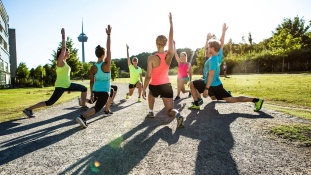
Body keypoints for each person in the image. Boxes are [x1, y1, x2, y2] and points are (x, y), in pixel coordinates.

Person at [188, 23, 264, 111]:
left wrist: (206, 89)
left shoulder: (212, 60)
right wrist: (223, 32)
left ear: (212, 48)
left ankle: (197, 104)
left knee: (192, 84)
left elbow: (211, 76)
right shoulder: (218, 56)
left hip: (209, 84)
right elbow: (221, 44)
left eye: (208, 48)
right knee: (231, 99)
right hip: (217, 84)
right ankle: (256, 100)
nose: (207, 49)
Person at [23, 28, 88, 118]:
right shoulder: (60, 61)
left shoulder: (65, 63)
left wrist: (69, 88)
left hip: (67, 85)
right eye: (67, 52)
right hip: (61, 86)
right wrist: (63, 35)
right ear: (63, 53)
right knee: (50, 102)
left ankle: (83, 107)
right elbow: (64, 47)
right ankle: (28, 109)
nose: (68, 54)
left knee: (84, 89)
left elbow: (66, 75)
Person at [142, 12, 185, 128]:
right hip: (166, 86)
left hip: (155, 86)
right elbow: (171, 38)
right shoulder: (169, 55)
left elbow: (148, 76)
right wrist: (171, 24)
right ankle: (178, 114)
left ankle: (151, 111)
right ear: (166, 44)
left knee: (151, 92)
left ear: (156, 44)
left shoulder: (151, 58)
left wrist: (144, 89)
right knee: (169, 110)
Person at [76, 25, 112, 128]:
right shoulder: (106, 65)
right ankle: (83, 116)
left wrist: (92, 94)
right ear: (104, 55)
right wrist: (108, 35)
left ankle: (83, 110)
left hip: (96, 90)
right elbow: (109, 47)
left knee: (96, 103)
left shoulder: (93, 67)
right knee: (97, 108)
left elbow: (91, 82)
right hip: (104, 91)